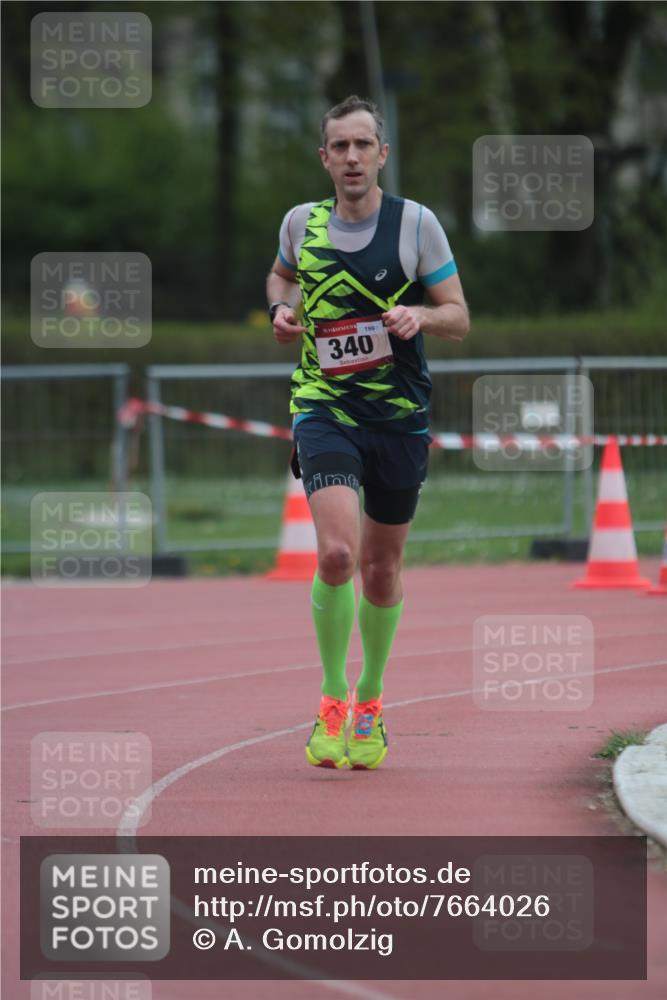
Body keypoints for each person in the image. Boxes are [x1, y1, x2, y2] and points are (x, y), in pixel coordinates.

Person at [266, 95, 469, 771]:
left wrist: (419, 317)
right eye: (339, 147)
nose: (351, 157)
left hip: (399, 418)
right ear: (323, 158)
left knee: (381, 568)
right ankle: (330, 699)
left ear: (381, 154)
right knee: (335, 556)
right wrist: (279, 308)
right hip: (322, 405)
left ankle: (371, 702)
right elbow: (281, 276)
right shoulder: (300, 223)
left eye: (363, 145)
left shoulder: (416, 225)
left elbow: (459, 316)